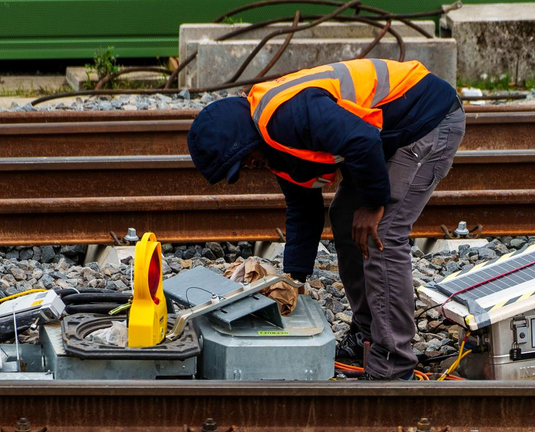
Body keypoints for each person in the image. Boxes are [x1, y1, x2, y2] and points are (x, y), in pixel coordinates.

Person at [187, 58, 464, 380]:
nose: (249, 166)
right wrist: (294, 279)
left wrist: (374, 204)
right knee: (346, 216)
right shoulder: (274, 146)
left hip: (427, 119)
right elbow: (303, 210)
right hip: (388, 133)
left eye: (243, 161)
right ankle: (368, 334)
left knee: (381, 233)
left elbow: (362, 140)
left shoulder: (286, 116)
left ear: (242, 140)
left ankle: (393, 363)